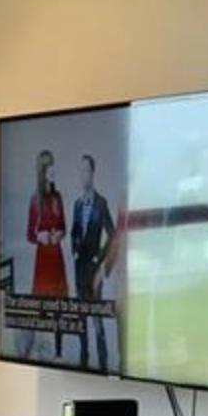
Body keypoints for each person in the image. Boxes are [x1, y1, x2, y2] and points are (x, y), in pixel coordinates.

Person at [70, 153, 118, 371]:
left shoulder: (101, 203)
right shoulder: (77, 205)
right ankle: (83, 359)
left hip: (94, 271)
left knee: (97, 319)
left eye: (86, 171)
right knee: (80, 317)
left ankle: (103, 363)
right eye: (80, 171)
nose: (83, 175)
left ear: (93, 173)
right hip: (79, 270)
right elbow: (73, 232)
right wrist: (73, 249)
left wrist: (100, 257)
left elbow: (113, 234)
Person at [26, 149, 68, 359]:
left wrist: (59, 234)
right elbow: (29, 235)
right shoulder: (35, 200)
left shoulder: (58, 197)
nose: (54, 170)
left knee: (58, 308)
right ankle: (43, 353)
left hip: (56, 259)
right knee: (43, 308)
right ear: (43, 170)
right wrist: (40, 237)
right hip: (43, 262)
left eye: (54, 165)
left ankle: (58, 354)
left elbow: (64, 227)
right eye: (50, 166)